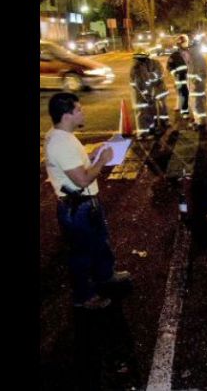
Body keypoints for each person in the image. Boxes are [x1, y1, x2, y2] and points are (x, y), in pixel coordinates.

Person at [44, 93, 131, 310]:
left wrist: (91, 155)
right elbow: (82, 180)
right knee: (81, 254)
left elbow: (75, 166)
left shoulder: (62, 135)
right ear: (67, 115)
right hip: (77, 208)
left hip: (85, 204)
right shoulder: (60, 143)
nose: (83, 112)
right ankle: (84, 297)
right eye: (79, 109)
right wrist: (102, 160)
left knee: (99, 242)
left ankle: (105, 275)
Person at [129, 50, 159, 138]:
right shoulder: (137, 68)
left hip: (144, 96)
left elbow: (146, 80)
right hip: (140, 97)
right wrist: (147, 96)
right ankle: (143, 134)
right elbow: (140, 84)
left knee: (147, 114)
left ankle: (149, 131)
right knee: (141, 116)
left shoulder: (141, 66)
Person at [166, 35, 191, 121]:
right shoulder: (175, 55)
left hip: (190, 76)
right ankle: (184, 112)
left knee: (185, 94)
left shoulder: (189, 52)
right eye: (184, 42)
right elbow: (169, 66)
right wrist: (174, 73)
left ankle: (180, 107)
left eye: (186, 42)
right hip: (180, 78)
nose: (186, 44)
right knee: (184, 94)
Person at [187, 38, 207, 131]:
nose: (189, 49)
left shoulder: (198, 58)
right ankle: (197, 121)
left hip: (196, 86)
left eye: (191, 47)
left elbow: (203, 72)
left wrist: (196, 81)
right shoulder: (192, 57)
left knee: (198, 105)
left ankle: (201, 124)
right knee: (194, 105)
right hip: (192, 86)